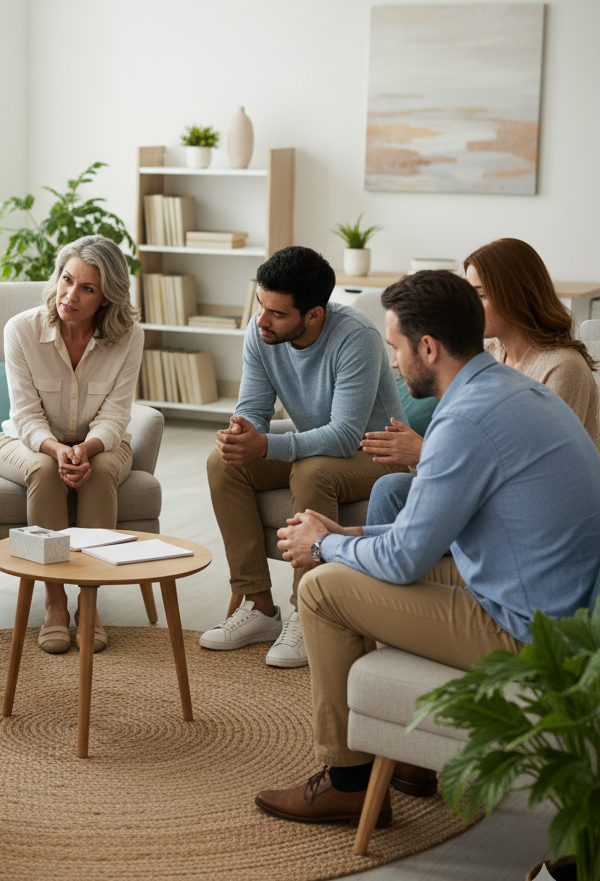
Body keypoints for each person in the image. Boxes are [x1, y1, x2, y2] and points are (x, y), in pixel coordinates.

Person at [255, 270, 600, 828]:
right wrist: (343, 537)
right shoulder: (515, 389)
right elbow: (420, 535)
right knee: (353, 559)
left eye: (395, 348)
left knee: (320, 590)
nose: (392, 363)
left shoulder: (463, 420)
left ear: (428, 348)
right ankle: (409, 759)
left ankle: (347, 781)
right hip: (558, 602)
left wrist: (323, 549)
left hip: (533, 635)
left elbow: (405, 560)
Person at [202, 246, 408, 667]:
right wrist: (242, 430)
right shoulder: (261, 333)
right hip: (322, 443)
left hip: (377, 453)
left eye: (277, 313)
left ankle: (307, 612)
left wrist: (266, 445)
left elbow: (346, 434)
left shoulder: (357, 337)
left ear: (314, 314)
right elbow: (254, 407)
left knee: (313, 472)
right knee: (222, 463)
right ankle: (259, 606)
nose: (262, 320)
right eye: (262, 306)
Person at [361, 238, 600, 524]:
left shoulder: (562, 367)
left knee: (393, 492)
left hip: (527, 512)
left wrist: (424, 452)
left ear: (517, 296)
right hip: (482, 491)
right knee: (392, 488)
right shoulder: (492, 353)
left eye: (481, 295)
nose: (470, 307)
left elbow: (534, 472)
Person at [0, 235, 144, 655]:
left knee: (96, 474)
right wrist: (58, 451)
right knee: (44, 470)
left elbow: (115, 416)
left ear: (107, 298)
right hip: (26, 441)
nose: (70, 295)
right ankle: (55, 602)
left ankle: (90, 605)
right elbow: (25, 416)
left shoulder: (130, 337)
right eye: (66, 280)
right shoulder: (21, 330)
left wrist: (86, 449)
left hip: (101, 442)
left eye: (86, 288)